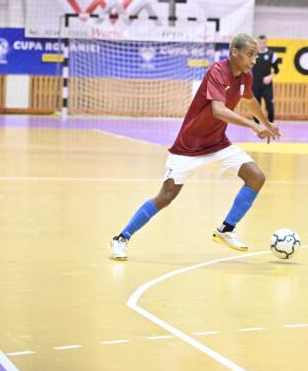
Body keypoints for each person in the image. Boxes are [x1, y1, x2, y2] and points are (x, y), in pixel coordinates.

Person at [110, 33, 280, 260]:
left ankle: (226, 229)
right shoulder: (217, 71)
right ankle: (121, 238)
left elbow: (249, 101)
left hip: (217, 142)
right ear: (234, 52)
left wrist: (265, 123)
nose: (253, 60)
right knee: (166, 196)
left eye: (255, 56)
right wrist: (253, 125)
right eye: (250, 55)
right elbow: (218, 110)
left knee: (256, 177)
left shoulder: (246, 77)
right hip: (189, 146)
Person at [251, 35, 280, 123]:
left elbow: (276, 70)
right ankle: (257, 126)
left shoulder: (272, 55)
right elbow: (247, 67)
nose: (261, 45)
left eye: (263, 43)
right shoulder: (252, 54)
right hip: (255, 85)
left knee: (270, 106)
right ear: (257, 43)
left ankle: (271, 125)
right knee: (255, 107)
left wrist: (270, 77)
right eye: (260, 43)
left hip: (267, 86)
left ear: (266, 43)